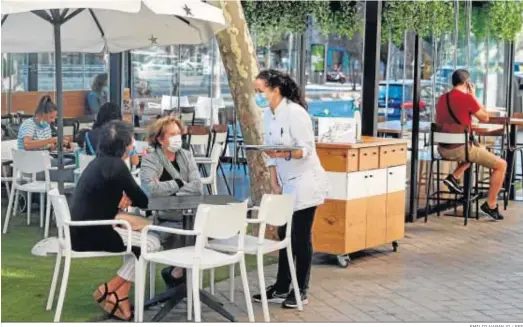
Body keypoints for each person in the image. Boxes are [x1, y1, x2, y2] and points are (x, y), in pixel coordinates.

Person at [253, 69, 329, 308]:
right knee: (283, 235)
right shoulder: (268, 115)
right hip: (285, 184)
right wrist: (274, 182)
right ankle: (282, 285)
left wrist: (284, 153)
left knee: (300, 237)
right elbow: (270, 152)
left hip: (306, 182)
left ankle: (300, 290)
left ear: (275, 90)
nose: (257, 95)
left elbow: (306, 150)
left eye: (260, 91)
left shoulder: (296, 114)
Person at [70, 120, 161, 321]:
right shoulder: (117, 166)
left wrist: (125, 200)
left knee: (140, 242)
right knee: (152, 242)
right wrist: (131, 197)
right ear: (125, 144)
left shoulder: (99, 162)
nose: (134, 143)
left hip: (81, 230)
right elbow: (143, 200)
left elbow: (109, 199)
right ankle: (107, 289)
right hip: (94, 233)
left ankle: (120, 295)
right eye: (131, 140)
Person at [436, 69, 507, 220]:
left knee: (478, 148)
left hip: (442, 148)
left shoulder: (442, 98)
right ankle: (491, 205)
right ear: (468, 83)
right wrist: (473, 96)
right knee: (501, 165)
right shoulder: (466, 98)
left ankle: (454, 176)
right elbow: (485, 117)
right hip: (460, 149)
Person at [140, 116, 203, 286]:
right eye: (172, 134)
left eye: (179, 133)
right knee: (186, 234)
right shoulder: (150, 160)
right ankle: (180, 277)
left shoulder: (186, 155)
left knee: (206, 230)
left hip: (192, 215)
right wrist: (179, 182)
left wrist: (170, 190)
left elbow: (198, 186)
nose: (178, 138)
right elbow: (151, 190)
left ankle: (176, 273)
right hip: (166, 218)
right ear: (160, 139)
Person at [17, 95, 74, 182]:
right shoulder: (28, 124)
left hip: (43, 163)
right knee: (70, 167)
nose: (53, 120)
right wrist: (52, 140)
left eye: (54, 117)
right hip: (31, 167)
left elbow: (46, 147)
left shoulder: (46, 126)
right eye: (51, 117)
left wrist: (59, 144)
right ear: (42, 114)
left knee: (72, 162)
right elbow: (27, 145)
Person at [84, 102, 139, 167]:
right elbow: (135, 162)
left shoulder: (88, 135)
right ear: (119, 117)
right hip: (119, 172)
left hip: (94, 172)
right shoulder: (124, 134)